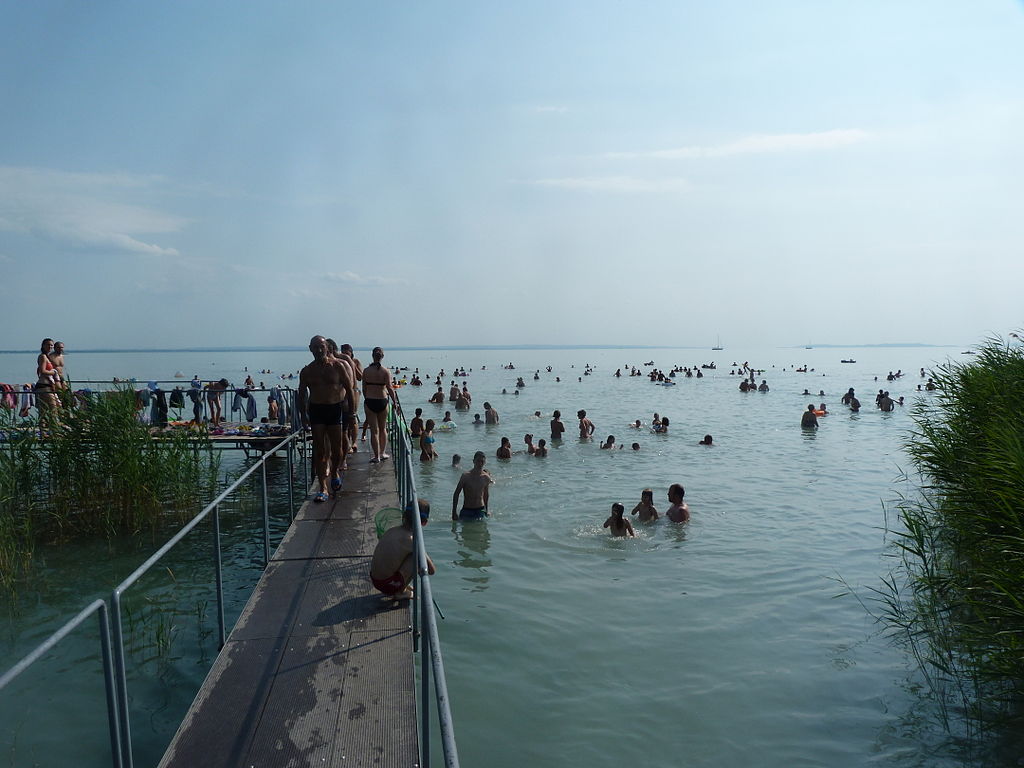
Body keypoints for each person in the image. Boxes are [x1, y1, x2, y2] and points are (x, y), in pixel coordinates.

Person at [297, 335, 353, 502]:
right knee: (319, 450)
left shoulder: (338, 366)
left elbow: (349, 389)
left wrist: (351, 413)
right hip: (317, 410)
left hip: (335, 409)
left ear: (327, 347)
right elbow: (301, 394)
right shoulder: (307, 371)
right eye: (315, 347)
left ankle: (334, 471)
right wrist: (303, 416)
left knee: (337, 449)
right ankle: (323, 488)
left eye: (321, 346)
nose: (319, 350)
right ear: (310, 349)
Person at [370, 499, 435, 601]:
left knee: (411, 554)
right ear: (424, 523)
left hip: (375, 580)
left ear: (403, 516)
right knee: (416, 558)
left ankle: (400, 585)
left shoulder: (392, 530)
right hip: (386, 585)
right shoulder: (411, 540)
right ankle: (400, 592)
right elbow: (431, 570)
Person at [362, 347, 396, 463]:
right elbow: (390, 388)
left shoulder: (366, 371)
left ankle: (376, 456)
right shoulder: (385, 371)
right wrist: (395, 402)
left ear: (372, 355)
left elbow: (364, 388)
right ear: (382, 357)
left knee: (374, 431)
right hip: (382, 400)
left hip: (370, 400)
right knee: (383, 429)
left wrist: (367, 398)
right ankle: (382, 453)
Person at [452, 451, 493, 520]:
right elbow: (456, 493)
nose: (480, 463)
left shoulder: (486, 477)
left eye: (482, 461)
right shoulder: (465, 476)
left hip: (480, 510)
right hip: (467, 510)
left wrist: (486, 510)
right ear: (473, 461)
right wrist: (454, 512)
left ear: (485, 462)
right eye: (478, 461)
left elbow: (486, 495)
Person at [34, 338, 60, 417]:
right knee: (53, 410)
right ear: (43, 346)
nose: (50, 347)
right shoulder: (42, 356)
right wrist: (53, 372)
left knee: (45, 412)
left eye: (51, 345)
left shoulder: (47, 356)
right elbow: (42, 371)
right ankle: (51, 425)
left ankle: (45, 425)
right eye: (48, 345)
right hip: (44, 387)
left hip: (48, 387)